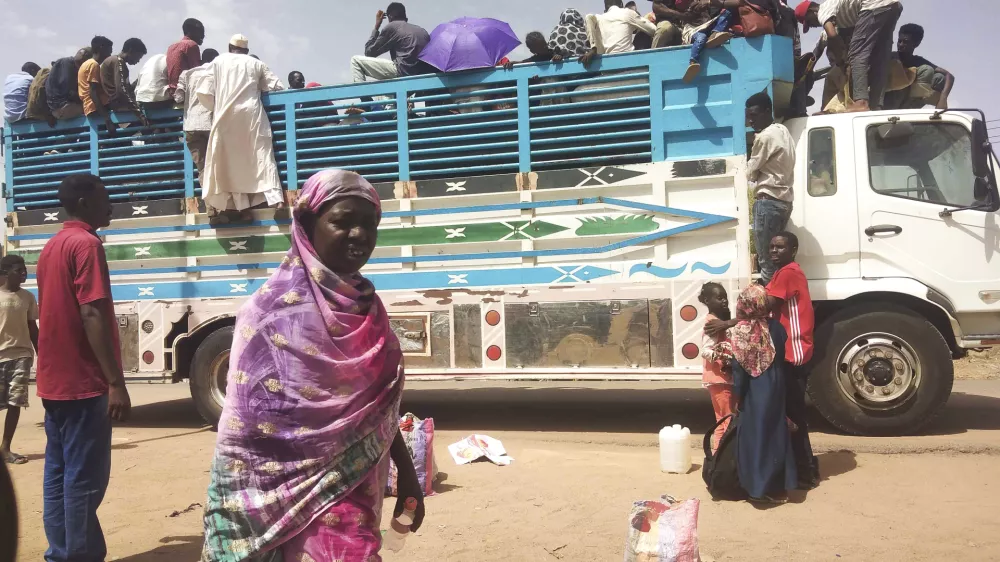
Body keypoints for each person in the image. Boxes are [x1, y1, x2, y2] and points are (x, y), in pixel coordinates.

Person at [201, 169, 425, 561]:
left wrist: (406, 474)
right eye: (343, 222)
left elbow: (377, 412)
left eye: (369, 223)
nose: (359, 235)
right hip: (273, 501)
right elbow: (243, 435)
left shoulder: (368, 310)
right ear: (307, 225)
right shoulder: (267, 313)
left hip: (354, 491)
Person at [36, 173, 131, 561]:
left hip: (55, 381)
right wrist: (115, 382)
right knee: (84, 479)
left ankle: (60, 552)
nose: (110, 206)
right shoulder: (87, 244)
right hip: (83, 381)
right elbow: (91, 313)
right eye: (104, 198)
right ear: (83, 203)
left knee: (58, 474)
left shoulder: (52, 245)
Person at [202, 34, 285, 223]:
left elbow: (205, 92)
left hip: (225, 118)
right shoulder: (257, 63)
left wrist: (216, 107)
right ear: (246, 51)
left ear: (229, 47)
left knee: (231, 164)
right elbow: (277, 87)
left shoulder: (218, 62)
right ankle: (277, 201)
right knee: (263, 157)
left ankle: (242, 207)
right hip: (252, 115)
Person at [729, 283, 797, 504]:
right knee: (775, 433)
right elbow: (781, 354)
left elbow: (739, 370)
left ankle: (757, 488)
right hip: (776, 385)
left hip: (755, 389)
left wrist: (738, 396)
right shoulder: (776, 327)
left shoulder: (741, 332)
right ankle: (779, 487)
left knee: (756, 436)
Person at [766, 231, 819, 489]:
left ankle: (805, 473)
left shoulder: (788, 273)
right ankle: (800, 468)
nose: (774, 251)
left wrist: (729, 322)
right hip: (788, 353)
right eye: (771, 247)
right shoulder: (782, 273)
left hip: (793, 355)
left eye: (780, 247)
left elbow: (764, 304)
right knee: (790, 414)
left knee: (794, 417)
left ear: (793, 250)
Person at [796, 0, 903, 112]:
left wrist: (841, 61)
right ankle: (876, 105)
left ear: (812, 11)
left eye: (809, 22)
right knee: (880, 58)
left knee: (857, 54)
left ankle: (861, 102)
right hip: (893, 5)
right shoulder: (842, 16)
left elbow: (832, 36)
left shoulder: (823, 11)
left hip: (874, 6)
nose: (812, 26)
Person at [746, 92, 794, 285]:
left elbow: (750, 172)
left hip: (768, 203)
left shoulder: (764, 137)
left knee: (767, 262)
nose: (750, 121)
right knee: (779, 261)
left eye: (754, 115)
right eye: (748, 116)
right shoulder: (783, 130)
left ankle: (773, 301)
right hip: (784, 202)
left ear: (767, 111)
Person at [0, 256, 38, 466]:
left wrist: (41, 354)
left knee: (15, 402)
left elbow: (32, 328)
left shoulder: (28, 297)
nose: (24, 273)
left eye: (25, 269)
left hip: (22, 356)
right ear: (6, 273)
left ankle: (5, 448)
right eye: (19, 270)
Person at [351, 3, 431, 83]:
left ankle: (361, 91)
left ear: (390, 16)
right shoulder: (422, 31)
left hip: (403, 71)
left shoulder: (392, 27)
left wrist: (377, 26)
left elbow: (369, 53)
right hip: (421, 75)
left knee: (356, 61)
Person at [699, 282, 735, 453]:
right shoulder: (712, 323)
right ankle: (726, 458)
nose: (724, 301)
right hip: (720, 379)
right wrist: (724, 359)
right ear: (707, 301)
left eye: (725, 297)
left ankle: (716, 458)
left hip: (718, 379)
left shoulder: (719, 321)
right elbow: (705, 350)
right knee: (728, 421)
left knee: (721, 421)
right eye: (719, 298)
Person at [884, 23, 954, 110]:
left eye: (905, 42)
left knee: (938, 77)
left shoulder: (917, 61)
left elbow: (949, 76)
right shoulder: (890, 57)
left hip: (906, 104)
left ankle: (911, 109)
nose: (901, 45)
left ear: (915, 44)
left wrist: (943, 99)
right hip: (886, 101)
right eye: (899, 41)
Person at [175, 48, 220, 183]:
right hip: (211, 124)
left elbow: (178, 97)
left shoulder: (187, 74)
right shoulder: (218, 73)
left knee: (202, 168)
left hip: (191, 126)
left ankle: (207, 195)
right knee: (217, 164)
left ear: (201, 60)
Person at [581, 0, 657, 65]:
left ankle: (594, 49)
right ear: (621, 4)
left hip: (607, 65)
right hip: (628, 62)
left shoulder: (599, 18)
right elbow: (653, 30)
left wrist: (594, 48)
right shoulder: (628, 12)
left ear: (605, 8)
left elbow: (588, 18)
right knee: (642, 34)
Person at [681, 0, 739, 83]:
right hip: (694, 29)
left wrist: (709, 3)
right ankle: (693, 62)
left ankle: (714, 35)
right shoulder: (693, 4)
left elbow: (738, 3)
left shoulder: (711, 3)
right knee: (701, 37)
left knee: (728, 12)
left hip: (708, 25)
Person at [100, 38, 151, 127]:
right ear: (131, 51)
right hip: (117, 103)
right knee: (150, 112)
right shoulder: (118, 62)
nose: (138, 61)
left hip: (115, 103)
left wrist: (139, 80)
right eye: (138, 57)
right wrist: (139, 114)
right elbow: (121, 90)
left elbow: (125, 88)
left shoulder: (115, 61)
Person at [79, 36, 115, 132]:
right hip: (96, 108)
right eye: (109, 51)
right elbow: (93, 92)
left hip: (91, 107)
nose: (110, 54)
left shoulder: (87, 63)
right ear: (101, 48)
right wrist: (106, 118)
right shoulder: (93, 65)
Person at [46, 48, 91, 120]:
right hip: (64, 107)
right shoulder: (68, 64)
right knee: (93, 108)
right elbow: (70, 93)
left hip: (55, 108)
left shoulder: (64, 62)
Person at [167, 18, 205, 94]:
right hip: (183, 92)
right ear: (190, 31)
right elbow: (196, 73)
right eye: (200, 31)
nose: (203, 35)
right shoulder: (191, 45)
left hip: (171, 92)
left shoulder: (171, 47)